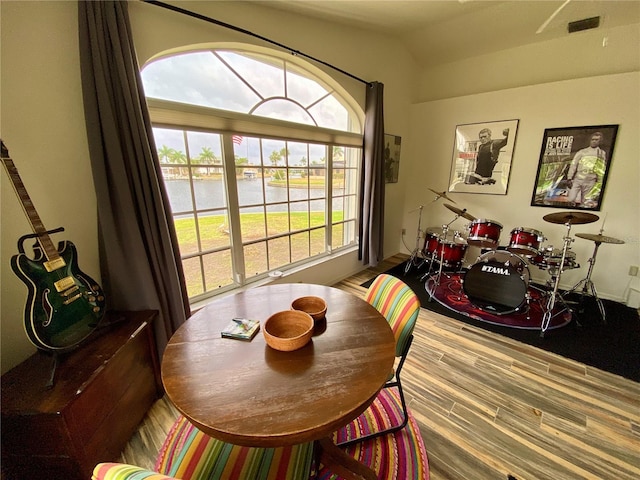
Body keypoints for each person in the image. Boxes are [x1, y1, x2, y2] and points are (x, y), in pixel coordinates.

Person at [566, 132, 606, 207]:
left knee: (585, 202)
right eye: (592, 139)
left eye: (596, 140)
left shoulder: (601, 153)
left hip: (591, 180)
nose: (594, 141)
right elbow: (573, 165)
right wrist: (569, 178)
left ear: (600, 141)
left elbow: (601, 167)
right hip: (578, 178)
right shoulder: (582, 152)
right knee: (571, 199)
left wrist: (600, 182)